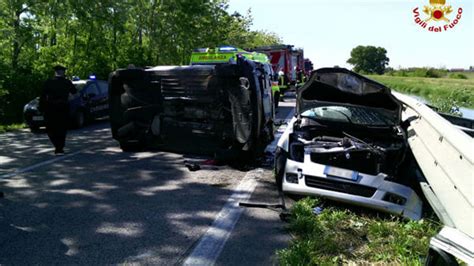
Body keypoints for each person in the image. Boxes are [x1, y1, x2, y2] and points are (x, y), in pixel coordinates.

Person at [39, 65, 77, 155]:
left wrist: (41, 107)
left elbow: (42, 96)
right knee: (61, 128)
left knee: (51, 128)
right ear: (63, 72)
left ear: (55, 72)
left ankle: (57, 146)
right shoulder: (67, 82)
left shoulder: (48, 82)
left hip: (50, 108)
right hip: (63, 108)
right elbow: (74, 93)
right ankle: (59, 147)